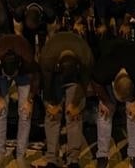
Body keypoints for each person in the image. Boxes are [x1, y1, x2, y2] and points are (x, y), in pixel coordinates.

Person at [38, 31, 93, 168]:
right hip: (54, 77)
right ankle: (52, 158)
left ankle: (73, 159)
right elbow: (46, 84)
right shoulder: (47, 58)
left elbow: (84, 83)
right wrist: (51, 105)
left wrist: (75, 104)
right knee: (52, 115)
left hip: (76, 79)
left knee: (74, 115)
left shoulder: (86, 57)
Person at [92, 39, 135, 168]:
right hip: (111, 62)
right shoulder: (104, 71)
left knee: (134, 112)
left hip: (132, 59)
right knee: (104, 111)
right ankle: (102, 155)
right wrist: (106, 101)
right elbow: (95, 83)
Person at [0, 33, 40, 168]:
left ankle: (21, 154)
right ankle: (0, 153)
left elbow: (36, 78)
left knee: (25, 112)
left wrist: (30, 100)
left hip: (24, 74)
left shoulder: (27, 59)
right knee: (0, 110)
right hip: (3, 71)